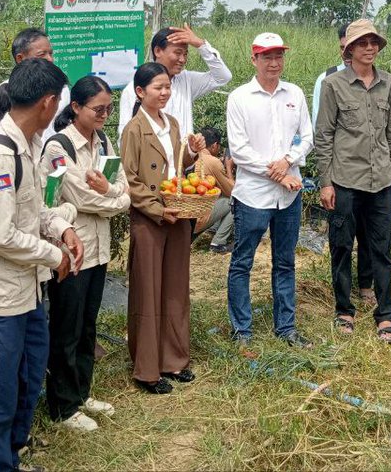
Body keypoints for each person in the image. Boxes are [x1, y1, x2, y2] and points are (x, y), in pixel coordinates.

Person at [0, 58, 84, 472]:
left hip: (28, 288)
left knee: (28, 377)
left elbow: (32, 212)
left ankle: (11, 455)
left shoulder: (28, 145)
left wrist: (61, 228)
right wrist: (55, 255)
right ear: (48, 102)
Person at [43, 75, 128, 432]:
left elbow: (123, 186)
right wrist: (116, 199)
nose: (104, 115)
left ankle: (81, 392)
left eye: (109, 108)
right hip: (71, 250)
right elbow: (80, 197)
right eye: (98, 109)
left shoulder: (105, 141)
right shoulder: (58, 148)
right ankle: (61, 406)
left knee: (88, 324)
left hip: (98, 248)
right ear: (76, 107)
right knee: (66, 327)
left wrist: (114, 194)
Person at [315, 19, 391, 344]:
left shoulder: (389, 84)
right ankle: (344, 310)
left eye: (374, 42)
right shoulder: (333, 85)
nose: (369, 48)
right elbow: (323, 135)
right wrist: (326, 182)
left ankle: (385, 315)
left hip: (381, 181)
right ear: (349, 48)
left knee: (381, 249)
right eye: (362, 43)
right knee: (341, 247)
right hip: (344, 181)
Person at [225, 33, 313, 347]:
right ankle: (242, 331)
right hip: (253, 195)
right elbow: (240, 150)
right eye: (267, 57)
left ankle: (286, 328)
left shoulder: (295, 94)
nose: (274, 63)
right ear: (254, 59)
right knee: (242, 261)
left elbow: (306, 136)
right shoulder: (239, 98)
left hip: (288, 194)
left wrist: (288, 161)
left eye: (278, 56)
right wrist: (277, 173)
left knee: (285, 261)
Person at [120, 62, 192, 394]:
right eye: (157, 88)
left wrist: (192, 152)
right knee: (148, 292)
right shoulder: (134, 129)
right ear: (140, 92)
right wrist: (157, 211)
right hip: (151, 218)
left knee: (175, 289)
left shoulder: (173, 124)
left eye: (167, 87)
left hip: (179, 211)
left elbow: (177, 166)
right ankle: (147, 369)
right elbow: (130, 180)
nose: (164, 93)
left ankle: (174, 359)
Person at [312, 22, 375, 307]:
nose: (347, 54)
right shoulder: (327, 80)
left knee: (369, 233)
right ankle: (343, 295)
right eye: (344, 48)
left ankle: (367, 284)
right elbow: (321, 127)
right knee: (342, 236)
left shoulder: (378, 80)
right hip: (342, 171)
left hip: (371, 173)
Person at [117, 24, 232, 157]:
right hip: (152, 170)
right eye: (177, 53)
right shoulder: (135, 89)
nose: (182, 59)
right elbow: (125, 139)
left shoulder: (186, 80)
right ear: (158, 51)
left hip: (186, 167)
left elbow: (223, 76)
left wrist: (200, 45)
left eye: (185, 54)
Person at [0, 27, 71, 125]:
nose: (50, 59)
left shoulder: (62, 91)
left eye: (50, 53)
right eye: (41, 54)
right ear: (20, 59)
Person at [192, 126, 236, 254]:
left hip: (188, 213)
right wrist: (228, 168)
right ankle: (218, 242)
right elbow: (231, 191)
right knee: (235, 200)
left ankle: (212, 230)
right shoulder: (213, 161)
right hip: (199, 217)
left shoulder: (192, 157)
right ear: (215, 145)